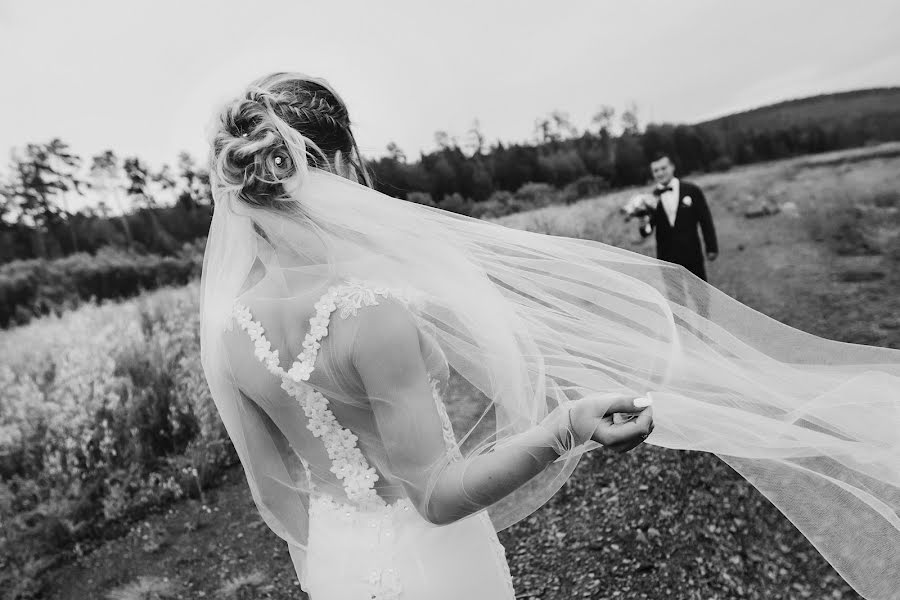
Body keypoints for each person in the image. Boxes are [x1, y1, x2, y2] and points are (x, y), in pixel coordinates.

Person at [200, 73, 899, 600]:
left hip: (338, 567)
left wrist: (338, 571)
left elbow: (279, 502)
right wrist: (562, 427)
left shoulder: (228, 331)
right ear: (338, 171)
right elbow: (436, 497)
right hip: (435, 569)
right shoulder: (369, 312)